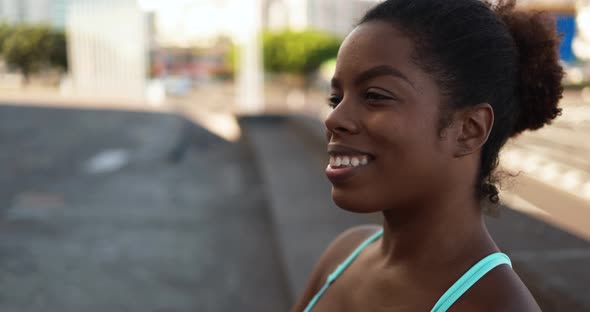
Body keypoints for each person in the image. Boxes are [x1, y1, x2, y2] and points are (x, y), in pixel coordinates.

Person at [292, 0, 563, 311]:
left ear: (469, 129)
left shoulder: (497, 305)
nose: (333, 119)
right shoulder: (343, 255)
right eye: (336, 98)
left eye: (374, 96)